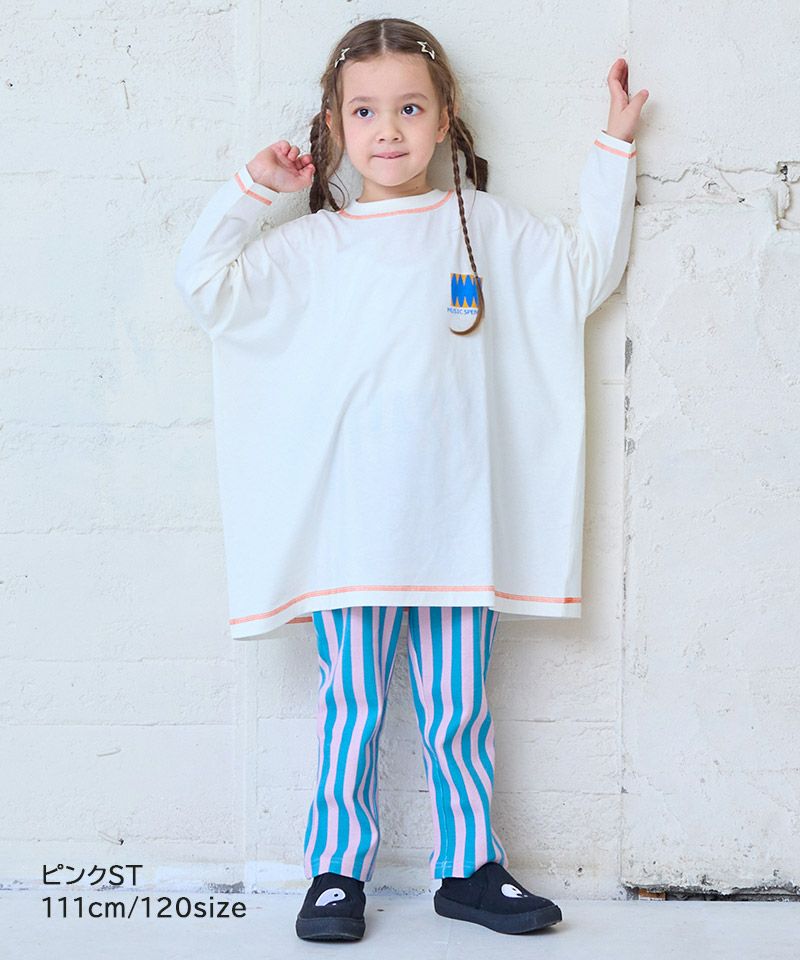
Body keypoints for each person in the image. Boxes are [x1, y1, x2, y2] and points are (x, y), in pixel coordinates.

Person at [174, 16, 647, 943]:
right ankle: (336, 871)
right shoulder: (315, 247)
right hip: (351, 536)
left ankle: (469, 868)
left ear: (444, 115)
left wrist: (613, 148)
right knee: (351, 711)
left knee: (458, 711)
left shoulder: (488, 229)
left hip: (459, 530)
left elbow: (584, 272)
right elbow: (206, 288)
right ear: (333, 123)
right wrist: (252, 189)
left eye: (408, 108)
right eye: (364, 111)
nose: (387, 129)